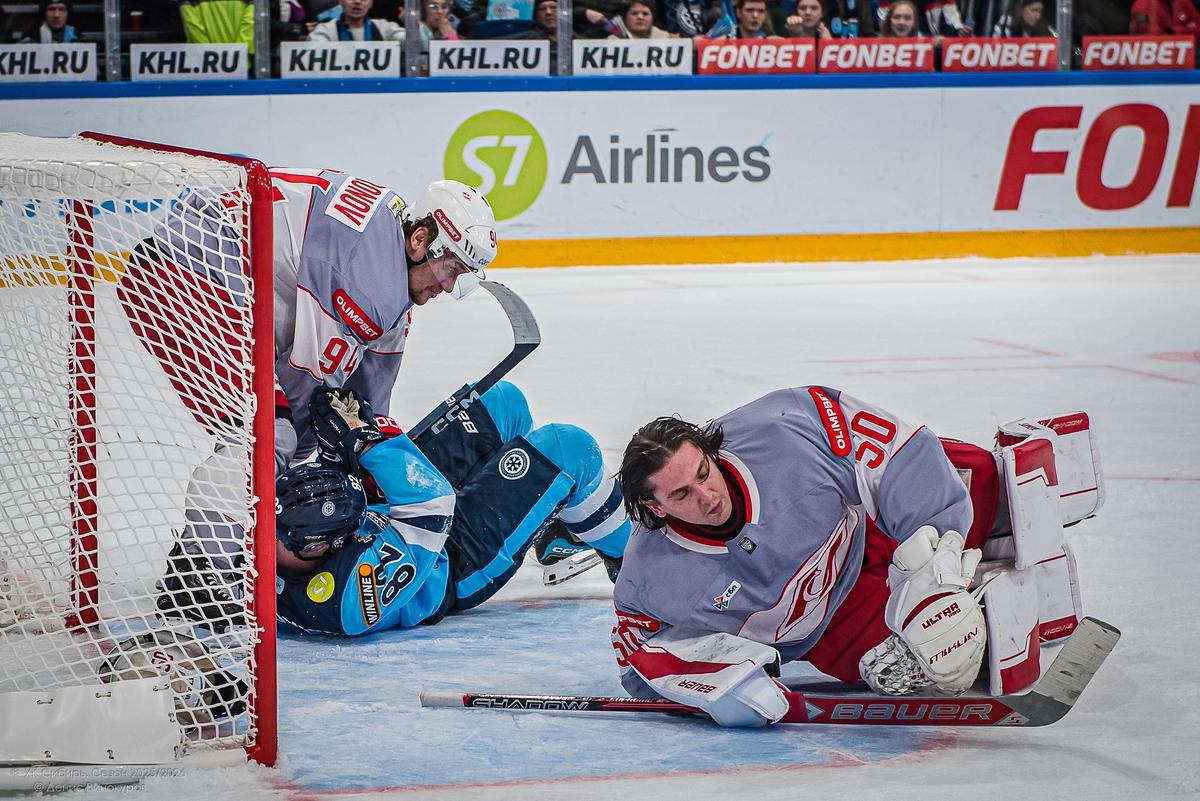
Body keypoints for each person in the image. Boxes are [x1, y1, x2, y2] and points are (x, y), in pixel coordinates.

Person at [611, 386, 1100, 727]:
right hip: (833, 627)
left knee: (977, 477)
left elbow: (900, 453)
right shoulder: (650, 577)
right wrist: (721, 683)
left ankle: (1012, 515)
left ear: (708, 449)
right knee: (944, 657)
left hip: (873, 533)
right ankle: (1029, 594)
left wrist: (938, 565)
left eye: (704, 471)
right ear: (654, 507)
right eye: (681, 495)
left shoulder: (784, 426)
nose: (707, 495)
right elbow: (639, 660)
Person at [159, 381, 631, 636]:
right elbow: (430, 504)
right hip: (452, 560)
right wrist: (367, 437)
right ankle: (629, 555)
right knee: (569, 448)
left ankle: (553, 512)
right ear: (322, 545)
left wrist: (339, 446)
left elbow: (343, 504)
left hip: (395, 515)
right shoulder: (342, 598)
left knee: (505, 404)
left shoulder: (277, 536)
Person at [118, 173, 497, 475]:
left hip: (213, 277)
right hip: (179, 281)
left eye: (460, 277)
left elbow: (366, 401)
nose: (448, 287)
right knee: (270, 439)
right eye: (450, 270)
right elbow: (307, 385)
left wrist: (371, 440)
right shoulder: (370, 281)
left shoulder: (390, 255)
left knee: (277, 436)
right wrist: (300, 468)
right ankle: (201, 561)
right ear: (419, 239)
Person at [179, 0, 255, 51]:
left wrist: (209, 53)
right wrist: (237, 51)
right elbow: (250, 24)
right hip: (239, 63)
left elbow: (193, 27)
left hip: (202, 63)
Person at [308, 0, 405, 39]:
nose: (357, 1)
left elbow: (417, 46)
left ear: (371, 3)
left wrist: (412, 25)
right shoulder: (325, 30)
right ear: (340, 2)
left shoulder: (386, 28)